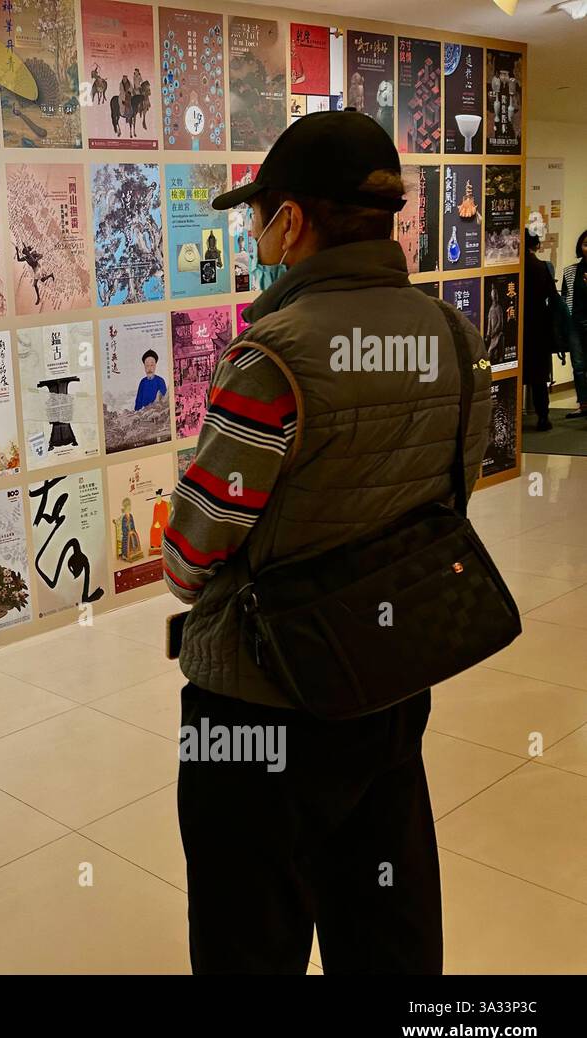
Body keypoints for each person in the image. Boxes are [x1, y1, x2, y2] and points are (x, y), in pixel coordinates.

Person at [164, 111, 491, 975]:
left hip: (255, 707)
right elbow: (446, 506)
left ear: (295, 220)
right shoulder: (455, 341)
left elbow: (190, 556)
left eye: (261, 213)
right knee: (385, 926)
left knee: (248, 937)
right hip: (388, 683)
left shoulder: (272, 357)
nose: (257, 232)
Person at [523, 230, 558, 431]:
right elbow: (551, 296)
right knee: (538, 376)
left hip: (517, 325)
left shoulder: (512, 267)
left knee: (517, 371)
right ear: (536, 245)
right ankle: (543, 417)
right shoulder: (543, 267)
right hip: (539, 326)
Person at [561, 229, 587, 419]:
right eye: (585, 245)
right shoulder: (570, 271)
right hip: (575, 324)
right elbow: (564, 298)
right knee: (578, 366)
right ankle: (583, 405)